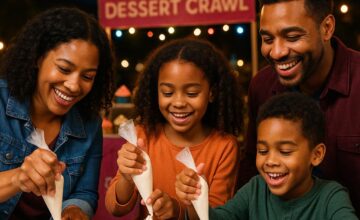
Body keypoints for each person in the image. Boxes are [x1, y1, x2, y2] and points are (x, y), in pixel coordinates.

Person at [239, 0, 360, 214]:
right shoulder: (261, 87)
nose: (276, 52)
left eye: (292, 37)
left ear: (327, 28)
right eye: (267, 39)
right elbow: (251, 171)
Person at [105, 38, 243, 219]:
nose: (178, 103)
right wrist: (125, 176)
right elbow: (116, 208)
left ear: (211, 93)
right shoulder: (143, 136)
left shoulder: (224, 147)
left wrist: (177, 210)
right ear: (156, 92)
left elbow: (216, 215)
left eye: (192, 93)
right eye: (168, 93)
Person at [0, 7, 114, 219]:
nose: (74, 85)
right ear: (38, 58)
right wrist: (19, 178)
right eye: (64, 69)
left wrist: (74, 210)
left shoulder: (90, 124)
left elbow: (84, 192)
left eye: (87, 77)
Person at [178, 93, 358, 219]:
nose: (270, 161)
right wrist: (195, 199)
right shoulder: (255, 189)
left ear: (316, 155)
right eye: (263, 151)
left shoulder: (331, 196)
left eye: (285, 151)